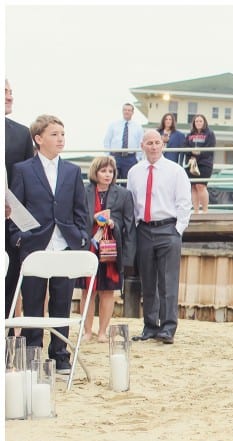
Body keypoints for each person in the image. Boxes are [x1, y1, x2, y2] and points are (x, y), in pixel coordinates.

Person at [8, 115, 90, 374]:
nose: (60, 139)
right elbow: (16, 208)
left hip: (65, 245)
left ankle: (60, 355)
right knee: (32, 303)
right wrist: (19, 238)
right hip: (35, 246)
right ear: (38, 138)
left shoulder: (73, 171)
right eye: (54, 134)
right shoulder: (23, 169)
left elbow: (81, 209)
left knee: (62, 302)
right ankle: (33, 353)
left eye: (63, 134)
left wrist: (80, 236)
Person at [126, 130, 192, 345]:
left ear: (162, 145)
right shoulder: (134, 172)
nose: (153, 147)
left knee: (168, 281)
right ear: (142, 145)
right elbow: (131, 201)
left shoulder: (175, 171)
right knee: (148, 280)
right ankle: (150, 325)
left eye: (157, 143)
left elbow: (184, 202)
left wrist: (178, 229)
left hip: (168, 228)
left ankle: (168, 327)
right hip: (143, 229)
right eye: (149, 143)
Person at [78, 156, 135, 342]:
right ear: (95, 172)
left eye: (110, 171)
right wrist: (93, 220)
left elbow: (128, 225)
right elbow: (76, 218)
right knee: (87, 291)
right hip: (88, 247)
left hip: (111, 248)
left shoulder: (124, 194)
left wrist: (112, 224)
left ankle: (102, 332)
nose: (107, 174)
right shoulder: (83, 191)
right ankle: (87, 331)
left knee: (108, 291)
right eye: (103, 171)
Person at [5, 79, 35, 326]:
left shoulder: (21, 132)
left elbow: (27, 178)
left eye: (11, 92)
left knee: (11, 275)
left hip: (9, 221)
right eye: (4, 91)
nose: (10, 96)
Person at [102, 103, 144, 182]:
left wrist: (138, 158)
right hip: (115, 157)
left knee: (128, 182)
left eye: (129, 110)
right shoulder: (113, 125)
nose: (127, 112)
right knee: (112, 181)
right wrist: (108, 156)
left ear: (132, 112)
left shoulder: (138, 127)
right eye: (125, 110)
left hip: (130, 158)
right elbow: (107, 141)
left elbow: (140, 144)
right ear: (122, 111)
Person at [184, 114, 216, 213]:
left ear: (204, 122)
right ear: (194, 123)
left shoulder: (210, 134)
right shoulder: (189, 135)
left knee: (200, 186)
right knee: (193, 186)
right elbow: (185, 148)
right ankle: (196, 211)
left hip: (204, 163)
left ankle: (205, 211)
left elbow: (210, 148)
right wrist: (191, 153)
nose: (198, 123)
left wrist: (198, 153)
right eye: (196, 121)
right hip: (191, 163)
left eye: (200, 121)